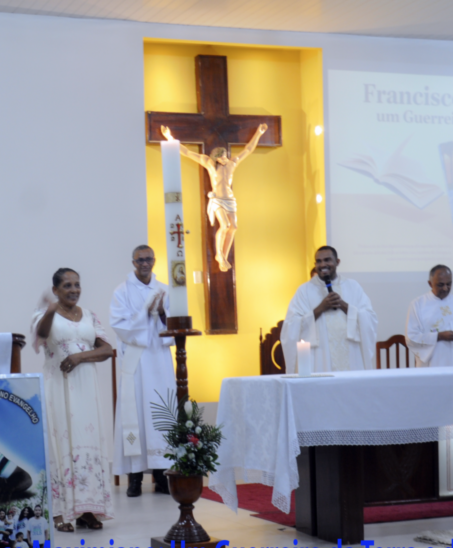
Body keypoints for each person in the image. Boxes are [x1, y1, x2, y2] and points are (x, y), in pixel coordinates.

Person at [31, 268, 114, 532]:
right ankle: (59, 513)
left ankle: (87, 510)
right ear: (55, 290)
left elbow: (107, 350)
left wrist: (79, 357)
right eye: (67, 285)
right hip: (59, 387)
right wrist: (50, 311)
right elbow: (42, 334)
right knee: (61, 444)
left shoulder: (89, 315)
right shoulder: (44, 315)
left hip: (87, 390)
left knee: (87, 444)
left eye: (77, 285)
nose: (74, 290)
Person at [109, 245, 174, 497]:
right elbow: (119, 325)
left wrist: (162, 313)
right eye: (140, 260)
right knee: (133, 415)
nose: (145, 263)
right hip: (136, 361)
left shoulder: (165, 290)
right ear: (133, 263)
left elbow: (174, 323)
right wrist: (145, 313)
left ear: (154, 261)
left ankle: (162, 476)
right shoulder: (122, 291)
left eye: (148, 259)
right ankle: (134, 478)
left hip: (159, 361)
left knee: (160, 415)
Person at [161, 124, 268, 272]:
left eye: (225, 155)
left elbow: (248, 149)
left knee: (234, 227)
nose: (225, 158)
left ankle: (223, 256)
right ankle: (219, 254)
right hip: (217, 200)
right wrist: (170, 138)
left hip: (230, 200)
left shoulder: (232, 164)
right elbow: (187, 152)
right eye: (221, 156)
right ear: (216, 157)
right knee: (224, 225)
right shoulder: (209, 164)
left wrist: (258, 133)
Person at [281, 246, 377, 373]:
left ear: (337, 262)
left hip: (351, 354)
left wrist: (343, 304)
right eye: (318, 261)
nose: (323, 265)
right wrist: (321, 308)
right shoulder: (304, 291)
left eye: (327, 260)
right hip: (320, 356)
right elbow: (291, 325)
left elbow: (369, 318)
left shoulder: (352, 286)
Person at [406, 265, 453, 367]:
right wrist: (439, 336)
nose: (445, 288)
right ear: (430, 283)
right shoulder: (418, 304)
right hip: (431, 365)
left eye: (449, 284)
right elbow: (411, 337)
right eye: (440, 285)